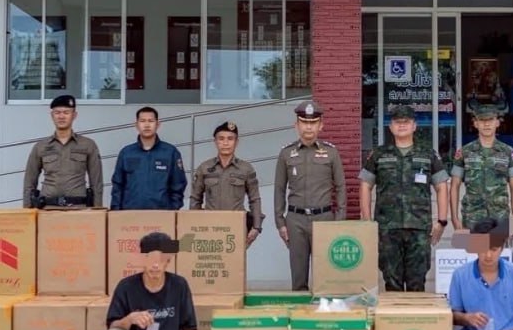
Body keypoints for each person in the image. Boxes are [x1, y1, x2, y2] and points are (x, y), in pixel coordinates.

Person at [360, 105, 451, 292]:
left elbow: (442, 186)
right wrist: (368, 222)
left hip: (419, 228)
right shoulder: (379, 154)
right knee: (391, 281)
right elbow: (365, 185)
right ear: (390, 126)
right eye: (397, 122)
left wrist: (442, 221)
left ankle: (415, 312)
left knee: (417, 282)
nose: (402, 125)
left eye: (406, 122)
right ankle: (394, 312)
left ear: (414, 126)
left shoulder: (428, 154)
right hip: (387, 229)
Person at [274, 101, 346, 290]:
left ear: (321, 125)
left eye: (313, 123)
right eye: (304, 122)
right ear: (296, 125)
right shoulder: (286, 153)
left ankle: (325, 308)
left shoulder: (331, 153)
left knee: (326, 278)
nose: (308, 127)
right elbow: (279, 189)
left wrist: (339, 221)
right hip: (295, 220)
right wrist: (280, 222)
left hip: (324, 219)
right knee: (298, 277)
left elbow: (340, 187)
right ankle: (300, 308)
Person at [190, 120, 264, 248]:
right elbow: (195, 198)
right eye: (221, 139)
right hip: (209, 228)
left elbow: (254, 199)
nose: (225, 143)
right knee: (210, 260)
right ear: (215, 141)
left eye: (230, 139)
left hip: (237, 226)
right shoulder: (204, 168)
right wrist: (194, 224)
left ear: (237, 142)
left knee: (236, 261)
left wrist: (256, 227)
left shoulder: (246, 169)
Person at [22, 94, 103, 208]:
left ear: (74, 115)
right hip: (48, 209)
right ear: (52, 115)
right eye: (57, 112)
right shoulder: (40, 147)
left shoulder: (88, 145)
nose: (61, 116)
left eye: (66, 112)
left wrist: (97, 209)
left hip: (78, 209)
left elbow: (96, 182)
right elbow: (29, 182)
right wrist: (27, 210)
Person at [450, 104, 513, 233]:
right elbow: (454, 185)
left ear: (497, 122)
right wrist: (454, 217)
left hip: (500, 216)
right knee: (470, 246)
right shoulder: (464, 152)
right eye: (482, 120)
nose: (486, 124)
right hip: (472, 216)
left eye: (490, 120)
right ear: (475, 123)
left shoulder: (509, 152)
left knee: (499, 247)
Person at [111, 106, 187, 210]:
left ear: (158, 124)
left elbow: (178, 184)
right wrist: (116, 210)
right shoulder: (126, 153)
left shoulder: (170, 152)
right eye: (142, 121)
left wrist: (173, 209)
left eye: (151, 121)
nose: (147, 125)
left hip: (162, 213)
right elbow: (117, 184)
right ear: (136, 125)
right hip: (130, 213)